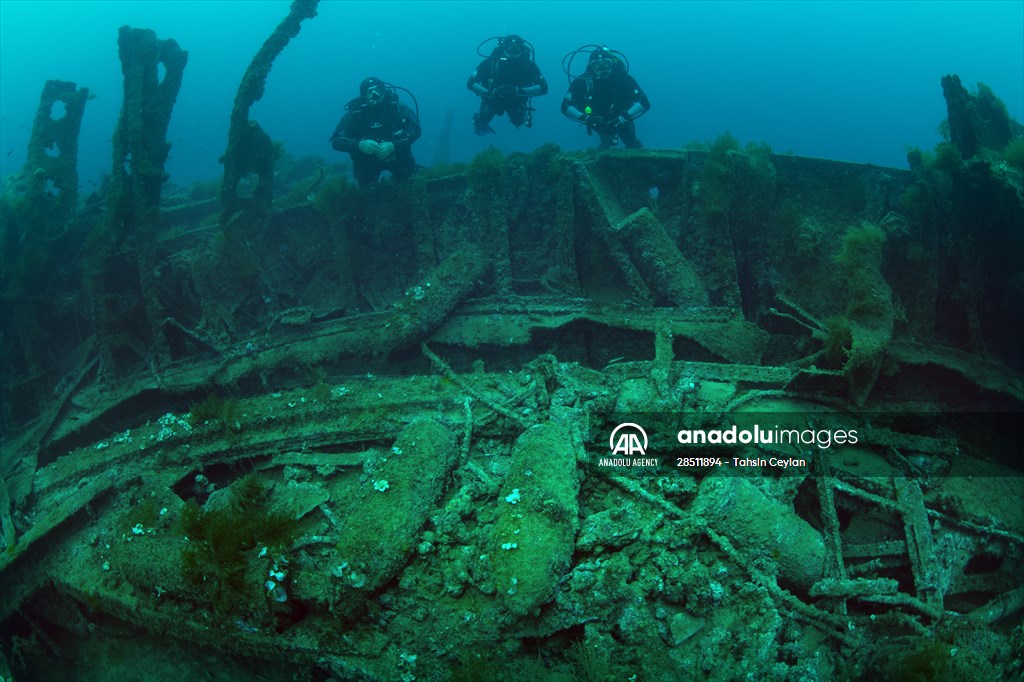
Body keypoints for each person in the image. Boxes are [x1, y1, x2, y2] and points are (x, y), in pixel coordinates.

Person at [330, 77, 422, 189]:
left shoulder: (397, 107)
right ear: (363, 95)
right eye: (369, 92)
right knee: (366, 194)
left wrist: (394, 145)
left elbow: (415, 129)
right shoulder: (354, 114)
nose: (374, 95)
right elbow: (336, 140)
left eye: (377, 90)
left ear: (383, 90)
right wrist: (359, 145)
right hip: (367, 163)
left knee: (410, 185)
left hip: (398, 157)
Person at [560, 46, 650, 149]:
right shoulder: (582, 81)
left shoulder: (623, 79)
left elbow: (644, 102)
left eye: (606, 64)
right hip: (596, 118)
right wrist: (589, 120)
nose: (602, 69)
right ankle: (605, 142)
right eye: (597, 65)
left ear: (611, 63)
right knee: (605, 141)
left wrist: (622, 118)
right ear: (591, 66)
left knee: (630, 139)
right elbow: (565, 106)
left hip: (622, 116)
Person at [467, 34, 548, 135]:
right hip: (492, 99)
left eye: (517, 48)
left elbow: (544, 88)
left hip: (516, 101)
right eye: (510, 47)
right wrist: (492, 92)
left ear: (522, 49)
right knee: (480, 122)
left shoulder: (528, 66)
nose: (513, 51)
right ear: (504, 47)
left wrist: (518, 91)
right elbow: (470, 83)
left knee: (519, 122)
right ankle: (480, 124)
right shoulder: (490, 63)